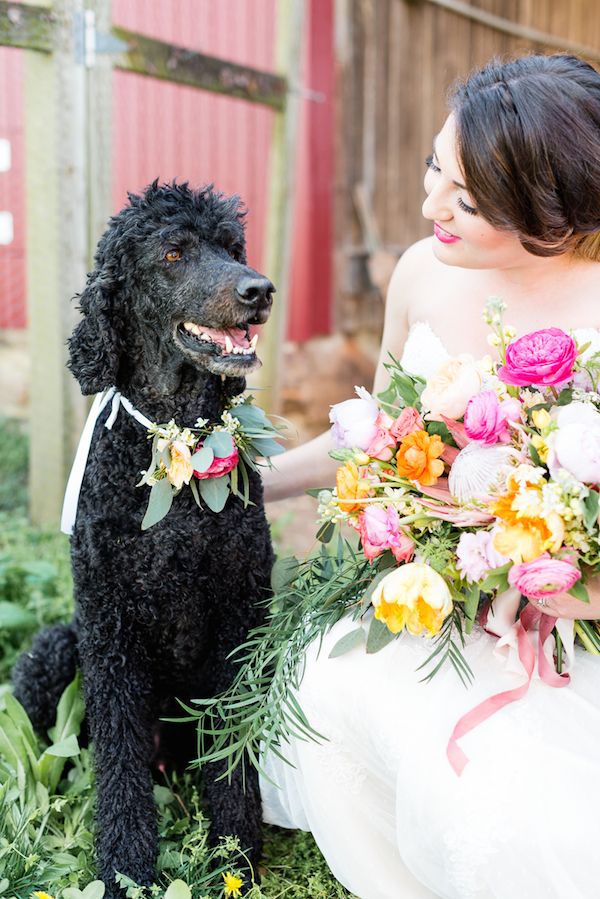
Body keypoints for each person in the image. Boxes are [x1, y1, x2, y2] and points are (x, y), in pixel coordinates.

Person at [259, 53, 600, 899]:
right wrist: (254, 478)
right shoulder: (421, 270)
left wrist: (580, 588)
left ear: (552, 221)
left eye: (468, 201)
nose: (427, 208)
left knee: (517, 817)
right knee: (327, 699)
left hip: (564, 626)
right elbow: (371, 430)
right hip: (437, 608)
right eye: (433, 168)